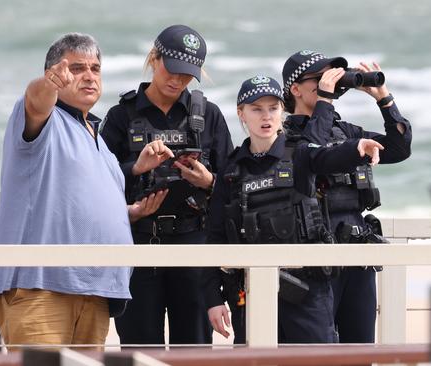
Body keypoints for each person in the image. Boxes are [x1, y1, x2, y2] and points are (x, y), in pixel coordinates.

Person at [0, 33, 170, 349]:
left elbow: (80, 204)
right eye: (76, 68)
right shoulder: (45, 119)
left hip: (95, 291)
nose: (89, 75)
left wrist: (129, 213)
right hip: (40, 286)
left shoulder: (99, 141)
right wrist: (48, 84)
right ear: (56, 73)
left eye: (96, 68)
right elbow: (35, 99)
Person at [203, 75, 384, 344]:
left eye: (273, 108)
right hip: (251, 294)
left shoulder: (300, 154)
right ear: (241, 113)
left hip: (308, 293)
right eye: (256, 109)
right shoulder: (231, 171)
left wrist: (356, 148)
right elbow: (215, 235)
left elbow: (327, 155)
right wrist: (213, 299)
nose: (266, 117)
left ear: (282, 111)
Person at [101, 24, 233, 346]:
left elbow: (234, 184)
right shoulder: (121, 116)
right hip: (138, 245)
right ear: (154, 58)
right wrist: (136, 168)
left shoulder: (210, 115)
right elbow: (97, 183)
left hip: (194, 248)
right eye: (171, 70)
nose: (177, 81)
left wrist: (210, 180)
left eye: (187, 75)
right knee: (139, 349)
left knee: (195, 350)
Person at [282, 50, 413, 343]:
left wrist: (384, 98)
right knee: (318, 355)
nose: (330, 83)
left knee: (360, 350)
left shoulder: (346, 132)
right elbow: (311, 152)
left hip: (357, 255)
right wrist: (325, 102)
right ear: (295, 89)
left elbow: (399, 148)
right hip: (316, 262)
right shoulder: (283, 139)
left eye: (334, 77)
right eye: (320, 79)